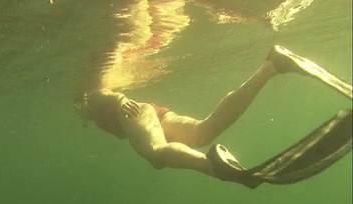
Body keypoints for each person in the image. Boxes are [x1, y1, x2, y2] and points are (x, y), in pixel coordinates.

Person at [73, 45, 344, 188]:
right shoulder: (86, 101)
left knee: (157, 154)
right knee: (203, 131)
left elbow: (100, 95)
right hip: (150, 112)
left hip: (132, 114)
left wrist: (118, 101)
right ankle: (271, 66)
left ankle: (213, 167)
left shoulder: (86, 96)